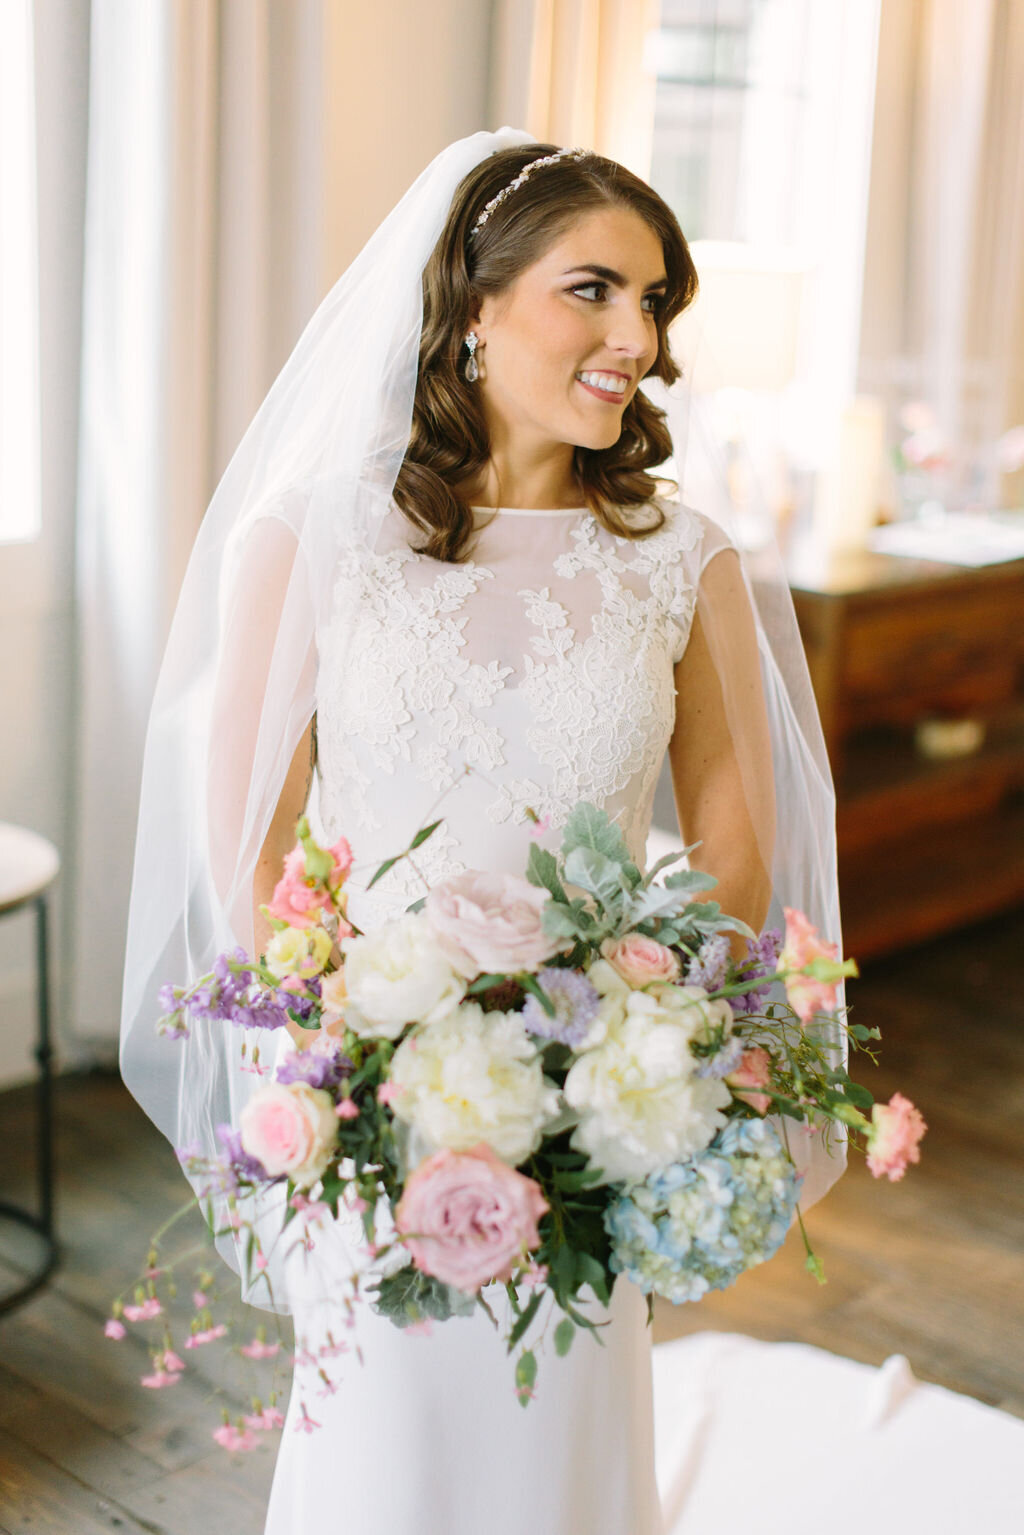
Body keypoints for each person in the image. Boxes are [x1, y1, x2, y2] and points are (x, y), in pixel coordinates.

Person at [120, 129, 848, 1535]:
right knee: (387, 1460)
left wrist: (635, 1071)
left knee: (553, 1456)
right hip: (377, 1104)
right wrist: (368, 1073)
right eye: (595, 290)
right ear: (469, 304)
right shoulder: (315, 540)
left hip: (602, 1106)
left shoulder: (680, 559)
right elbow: (254, 853)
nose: (636, 336)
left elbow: (734, 847)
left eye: (655, 302)